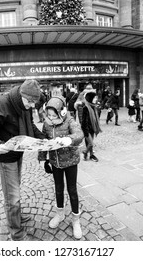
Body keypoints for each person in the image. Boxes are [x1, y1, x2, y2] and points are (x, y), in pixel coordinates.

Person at [0, 79, 46, 241]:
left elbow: (30, 124)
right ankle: (16, 234)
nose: (32, 106)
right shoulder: (3, 103)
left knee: (15, 188)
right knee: (12, 196)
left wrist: (44, 140)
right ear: (22, 95)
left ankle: (16, 218)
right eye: (30, 102)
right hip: (5, 156)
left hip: (18, 153)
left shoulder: (24, 104)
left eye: (34, 102)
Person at [38, 96, 84, 239]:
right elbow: (44, 141)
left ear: (62, 112)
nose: (51, 118)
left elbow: (79, 134)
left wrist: (69, 139)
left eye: (54, 115)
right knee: (58, 189)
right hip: (55, 162)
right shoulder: (46, 124)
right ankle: (60, 214)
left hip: (70, 161)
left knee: (72, 190)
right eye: (49, 115)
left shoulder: (69, 120)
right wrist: (41, 158)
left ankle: (76, 220)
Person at [81, 90, 101, 162]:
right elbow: (83, 121)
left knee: (90, 143)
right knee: (91, 144)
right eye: (94, 98)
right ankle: (85, 152)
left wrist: (99, 109)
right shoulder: (85, 108)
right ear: (90, 99)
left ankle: (91, 155)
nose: (96, 99)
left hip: (92, 128)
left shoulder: (94, 107)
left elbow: (96, 118)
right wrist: (85, 131)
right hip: (87, 129)